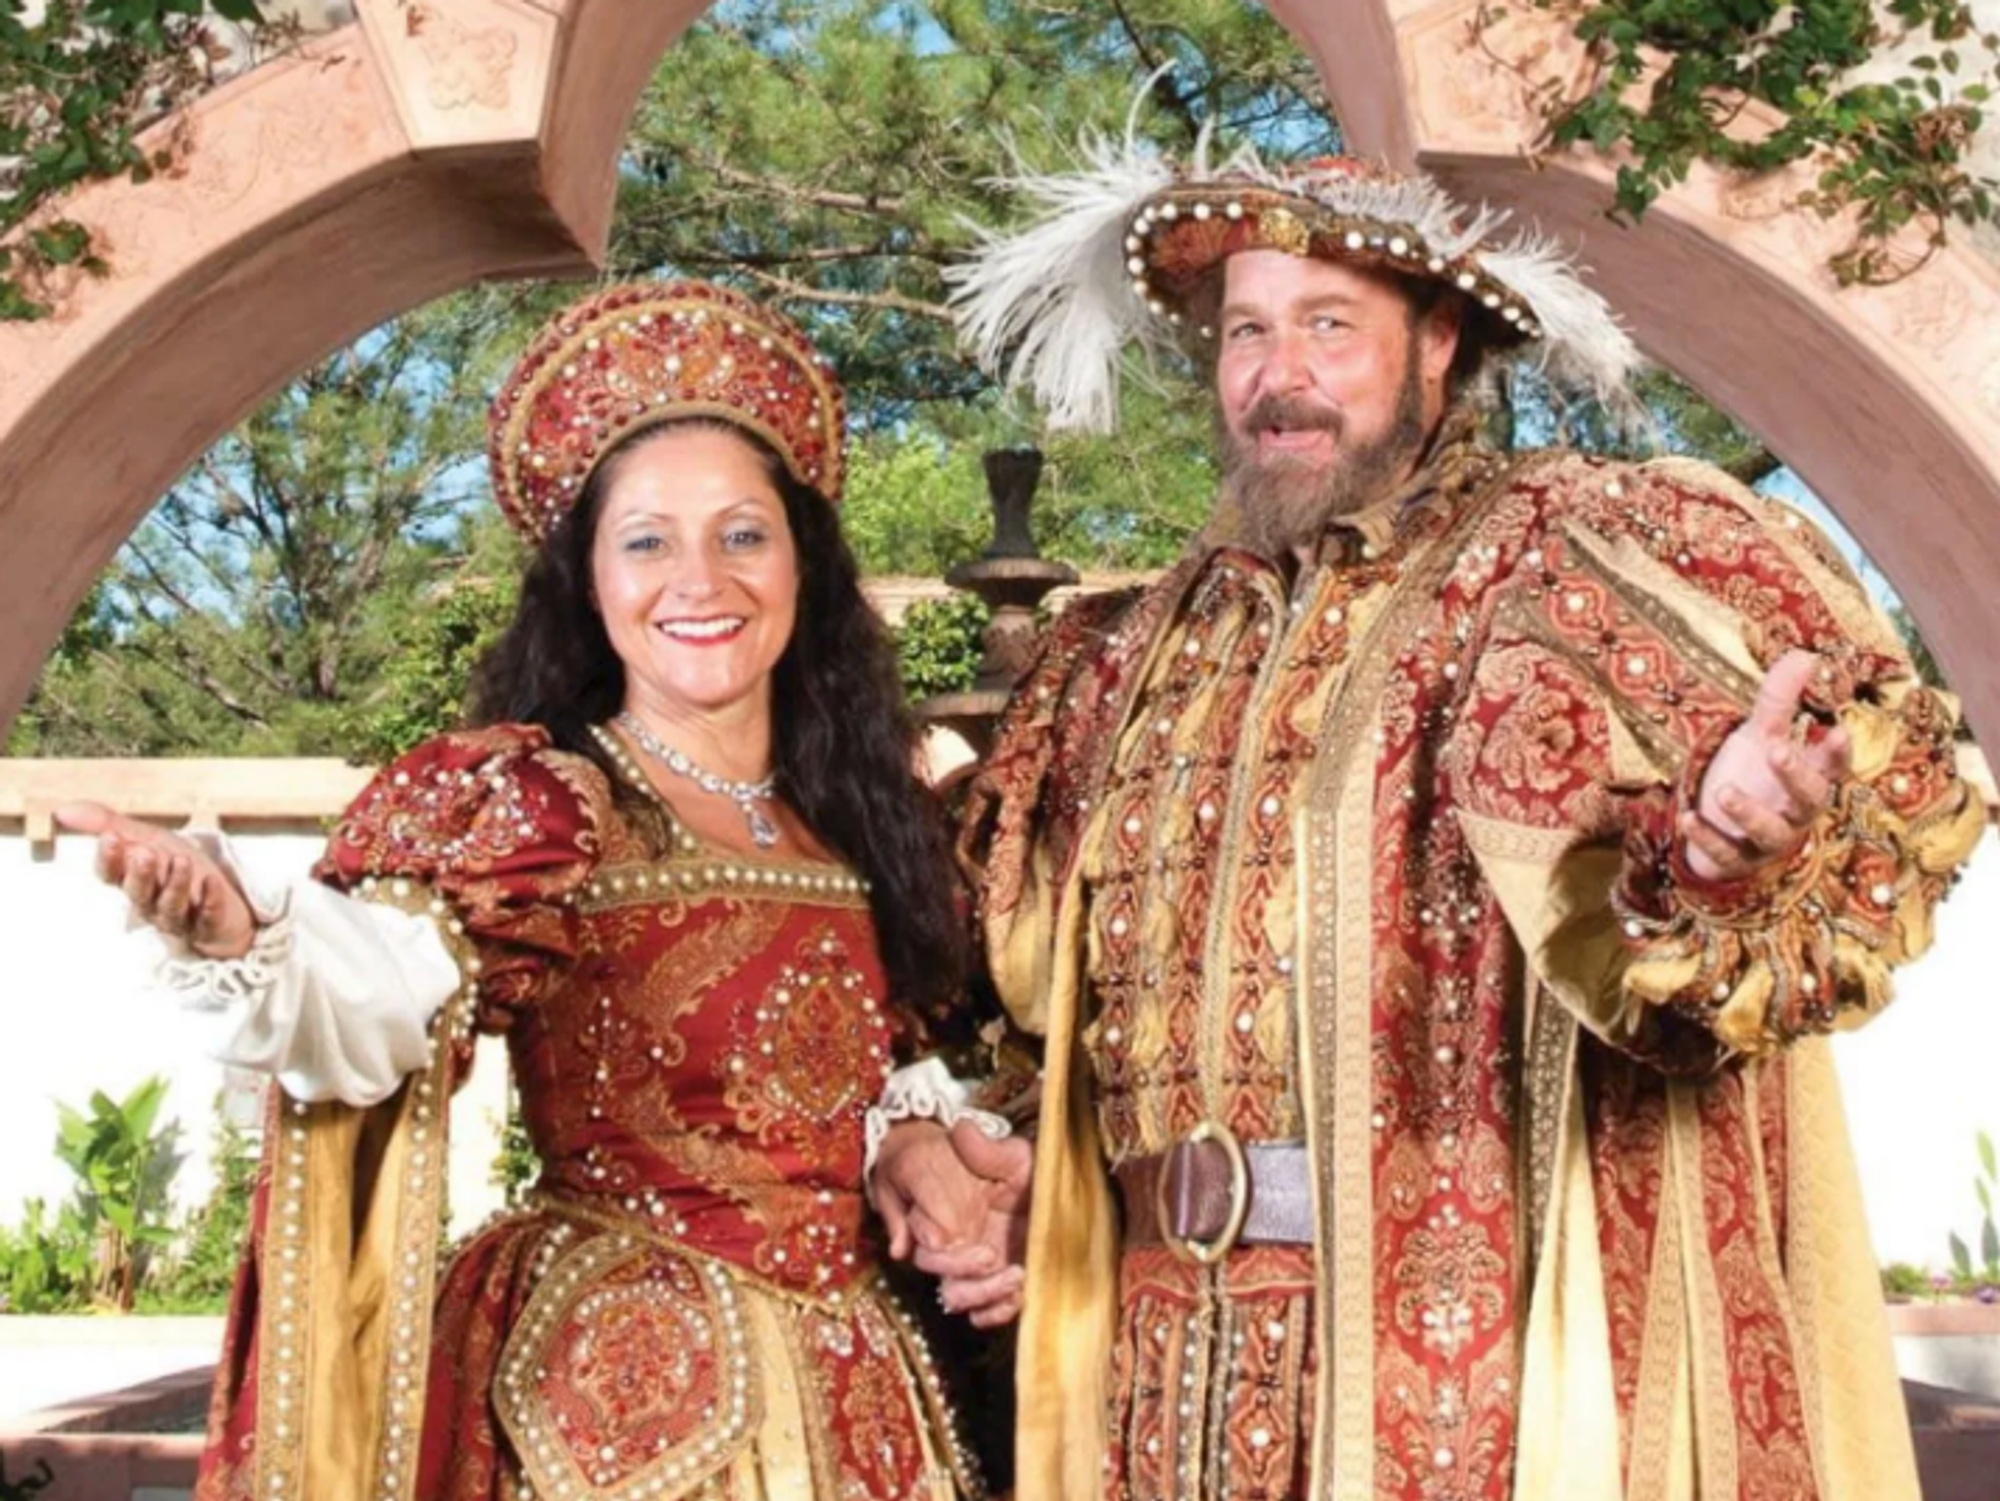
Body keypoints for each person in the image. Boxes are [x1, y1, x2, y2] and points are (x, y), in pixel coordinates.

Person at [945, 149, 1987, 1501]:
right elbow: (1027, 1014)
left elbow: (1746, 931)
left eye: (1329, 325)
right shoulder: (1127, 657)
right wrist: (989, 1162)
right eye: (1247, 332)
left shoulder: (1569, 558)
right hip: (1161, 1379)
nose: (1277, 375)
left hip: (1477, 1373)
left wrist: (1723, 854)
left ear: (1437, 341)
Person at [57, 280, 1028, 1501]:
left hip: (852, 1389)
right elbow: (384, 992)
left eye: (742, 534)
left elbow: (860, 1069)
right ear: (587, 580)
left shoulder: (857, 821)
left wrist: (916, 1146)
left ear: (803, 565)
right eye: (647, 541)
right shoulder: (545, 803)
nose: (700, 579)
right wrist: (244, 932)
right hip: (612, 1392)